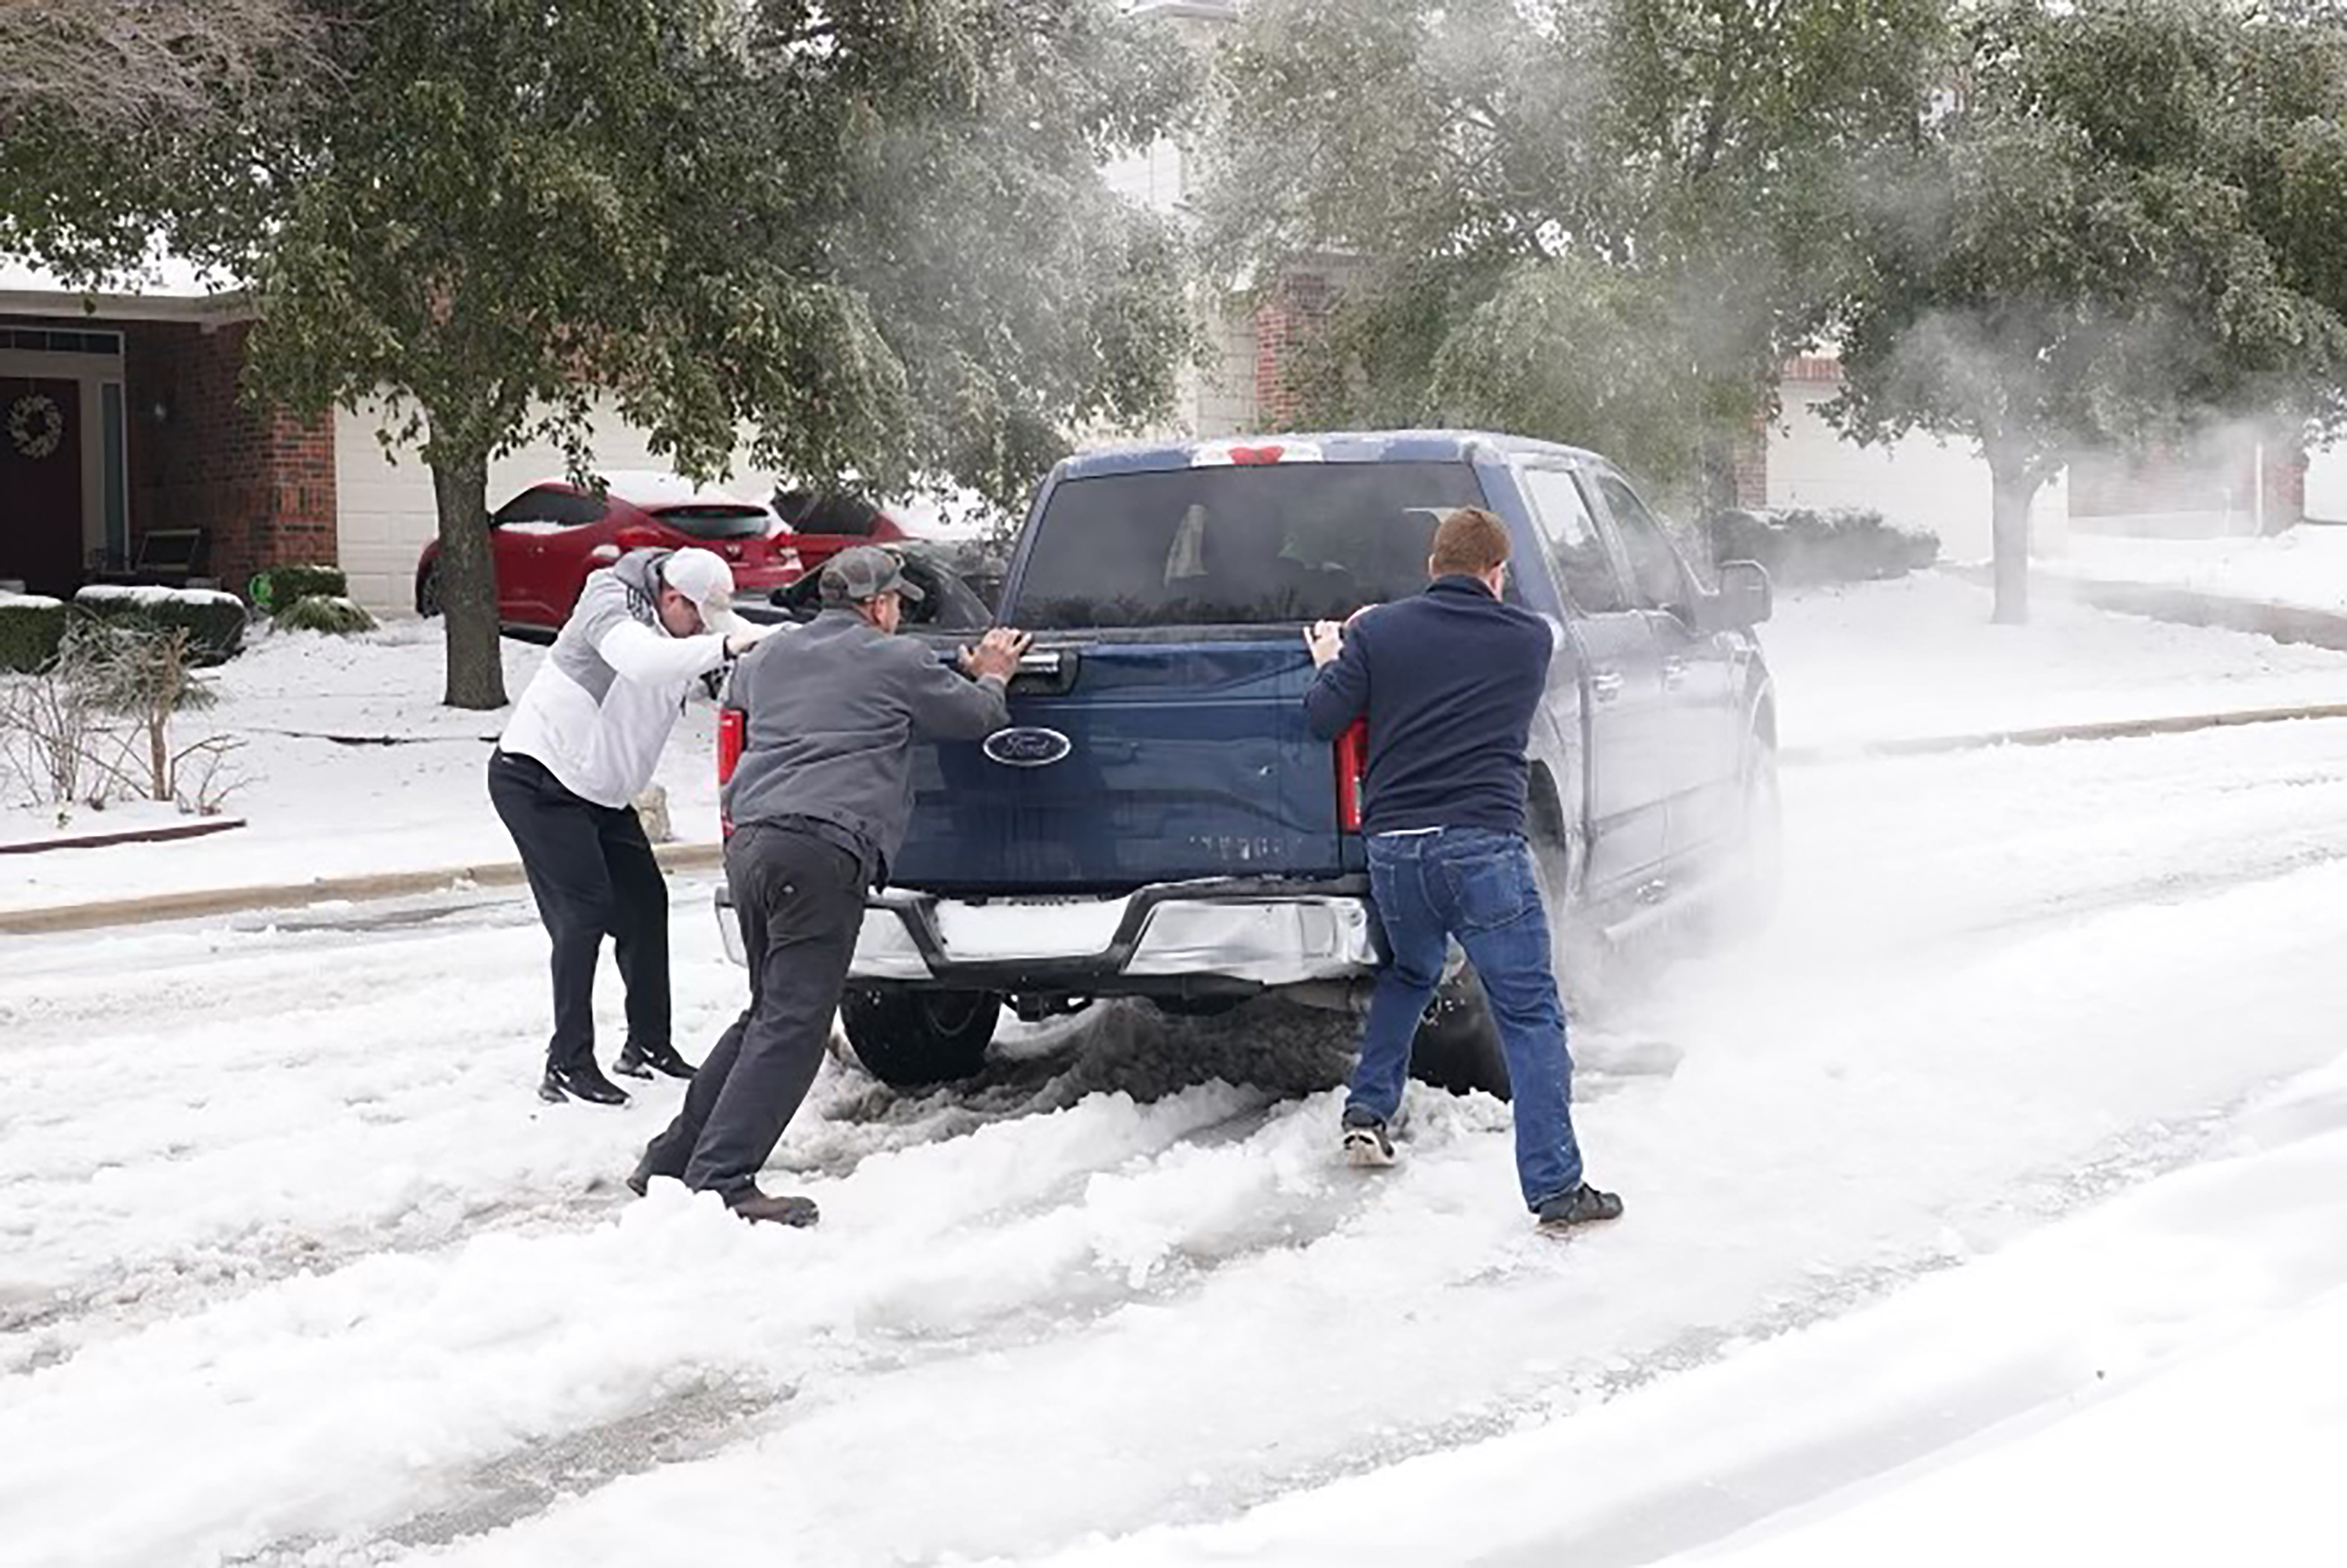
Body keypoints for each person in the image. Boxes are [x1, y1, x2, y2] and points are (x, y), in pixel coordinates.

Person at [629, 546, 1033, 1224]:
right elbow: (976, 720)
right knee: (794, 1024)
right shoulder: (895, 660)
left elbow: (822, 686)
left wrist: (942, 670)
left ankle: (670, 1159)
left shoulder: (768, 658)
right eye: (898, 603)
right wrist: (990, 676)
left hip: (754, 842)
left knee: (766, 1012)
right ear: (877, 605)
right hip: (821, 850)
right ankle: (723, 1182)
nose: (900, 613)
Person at [1302, 507, 1623, 1231]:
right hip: (1482, 847)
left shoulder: (1378, 634)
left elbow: (1323, 717)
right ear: (1497, 573)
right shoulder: (1526, 639)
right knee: (1531, 1014)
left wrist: (1333, 656)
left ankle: (1368, 1111)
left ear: (1430, 566)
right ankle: (1556, 1189)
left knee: (1410, 974)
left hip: (1396, 851)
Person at [490, 545, 772, 1107]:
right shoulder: (608, 601)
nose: (700, 630)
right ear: (670, 597)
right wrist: (720, 645)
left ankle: (647, 1046)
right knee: (583, 914)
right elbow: (641, 660)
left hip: (600, 793)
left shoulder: (686, 621)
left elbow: (739, 641)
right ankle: (566, 1063)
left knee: (646, 904)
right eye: (695, 617)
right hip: (538, 780)